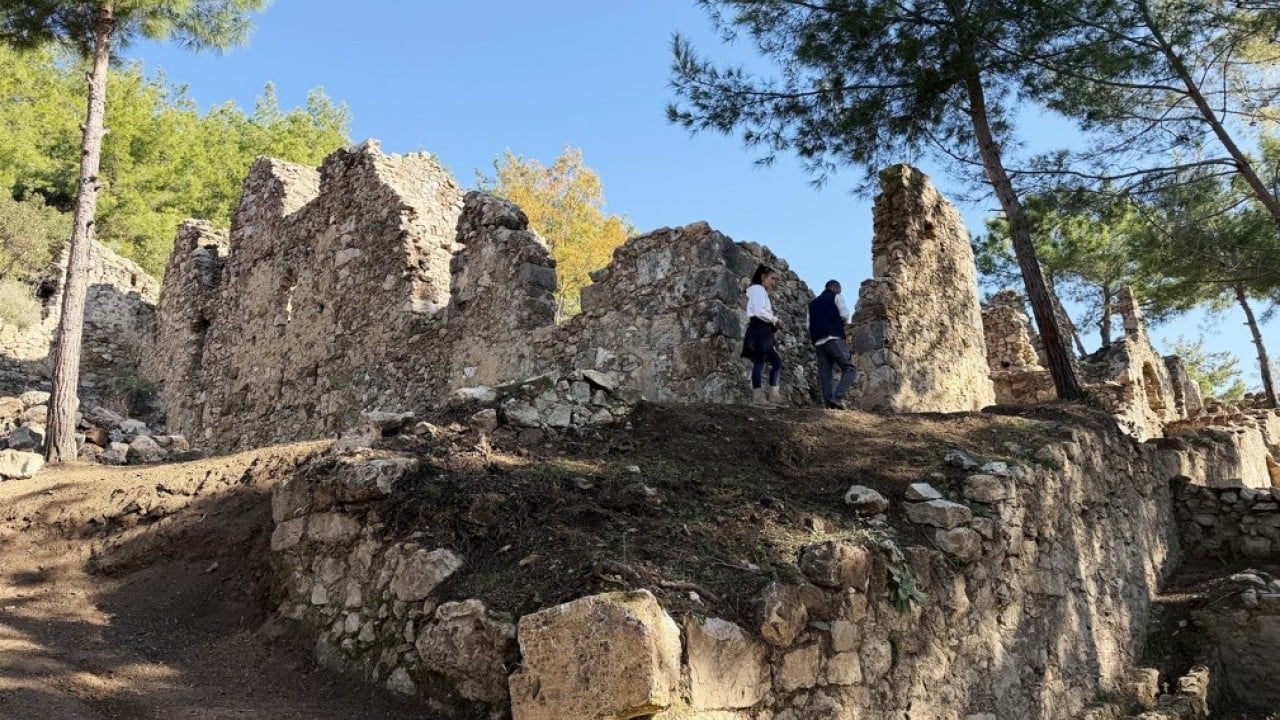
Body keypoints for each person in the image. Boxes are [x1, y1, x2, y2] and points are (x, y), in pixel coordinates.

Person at [742, 264, 785, 407]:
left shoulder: (759, 291)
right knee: (760, 362)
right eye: (772, 278)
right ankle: (758, 397)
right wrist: (775, 320)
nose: (774, 282)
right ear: (763, 277)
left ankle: (773, 395)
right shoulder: (759, 290)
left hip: (762, 330)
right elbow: (760, 312)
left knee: (776, 362)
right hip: (760, 329)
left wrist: (773, 321)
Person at [809, 279, 856, 409]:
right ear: (836, 288)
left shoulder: (813, 303)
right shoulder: (836, 297)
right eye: (839, 291)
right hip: (834, 337)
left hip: (818, 341)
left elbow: (808, 324)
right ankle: (837, 398)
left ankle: (829, 405)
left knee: (825, 374)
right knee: (850, 368)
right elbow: (845, 315)